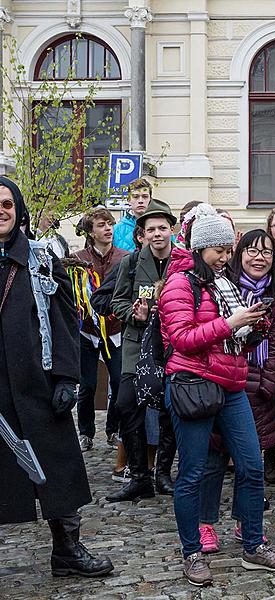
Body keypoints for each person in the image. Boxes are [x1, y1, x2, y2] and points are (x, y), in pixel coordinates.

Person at [158, 206, 275, 585]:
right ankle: (192, 552)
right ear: (199, 248)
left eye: (225, 248)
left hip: (232, 384)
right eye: (216, 249)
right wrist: (229, 323)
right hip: (194, 385)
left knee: (251, 466)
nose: (223, 255)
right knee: (193, 473)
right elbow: (182, 339)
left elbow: (233, 335)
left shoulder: (224, 283)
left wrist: (255, 324)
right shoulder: (179, 284)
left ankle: (253, 545)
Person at [0, 176, 114, 578]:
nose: (1, 211)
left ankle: (67, 550)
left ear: (19, 211)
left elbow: (66, 319)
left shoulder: (42, 257)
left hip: (38, 384)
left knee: (58, 466)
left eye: (7, 204)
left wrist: (67, 377)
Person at [197, 229, 275, 552]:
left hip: (259, 386)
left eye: (266, 252)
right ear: (240, 254)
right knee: (213, 459)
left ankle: (245, 522)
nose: (259, 257)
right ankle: (205, 523)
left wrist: (268, 381)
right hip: (224, 382)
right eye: (252, 250)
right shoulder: (222, 287)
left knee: (252, 462)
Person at [107, 198, 178, 501]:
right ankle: (139, 476)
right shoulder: (132, 263)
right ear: (143, 234)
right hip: (137, 346)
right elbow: (116, 301)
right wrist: (131, 314)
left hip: (172, 346)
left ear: (171, 230)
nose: (158, 233)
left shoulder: (184, 261)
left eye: (163, 227)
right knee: (126, 405)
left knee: (170, 409)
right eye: (152, 229)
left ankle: (163, 472)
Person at [70, 208, 129, 451]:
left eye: (110, 224)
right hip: (87, 331)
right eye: (101, 225)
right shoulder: (77, 258)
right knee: (87, 385)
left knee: (118, 381)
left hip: (115, 330)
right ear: (90, 232)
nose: (107, 229)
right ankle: (86, 432)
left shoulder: (124, 257)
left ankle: (113, 429)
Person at [113, 177, 152, 251]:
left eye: (145, 196)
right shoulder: (116, 230)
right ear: (128, 200)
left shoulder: (161, 227)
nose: (140, 201)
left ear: (150, 199)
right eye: (136, 197)